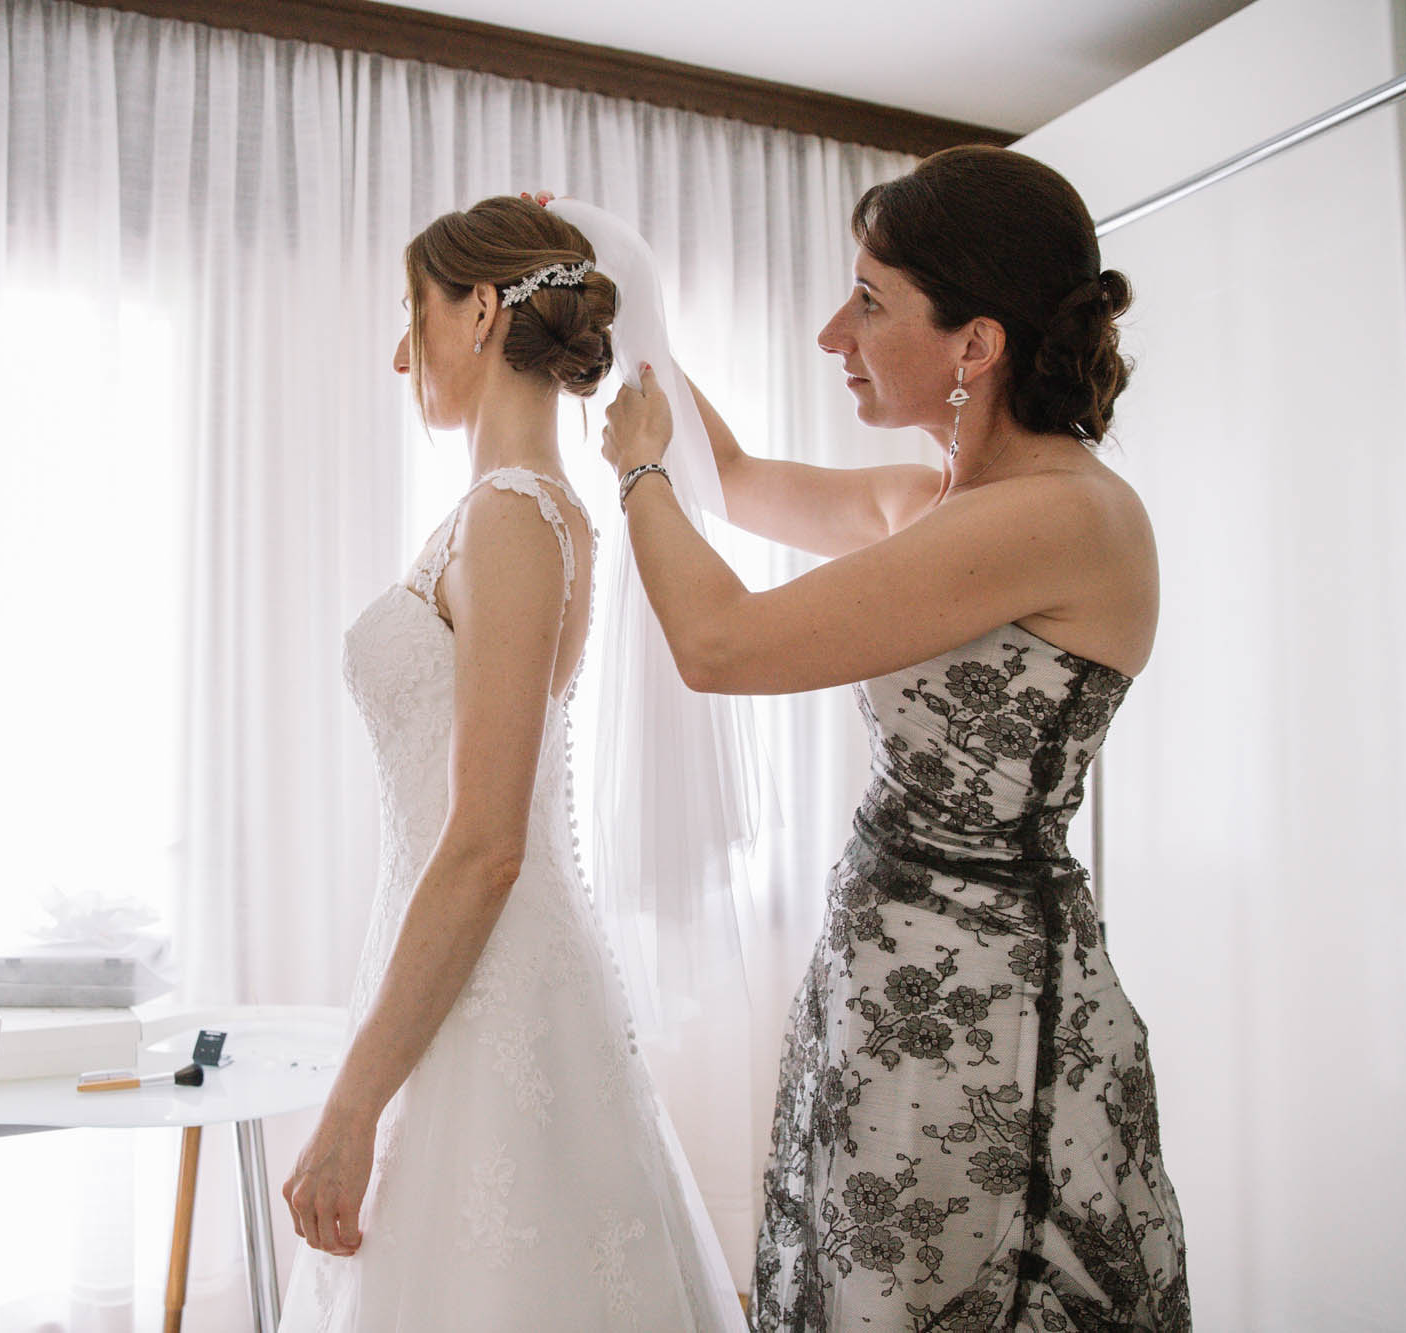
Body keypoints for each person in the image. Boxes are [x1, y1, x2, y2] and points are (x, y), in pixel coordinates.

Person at [597, 147, 1190, 1330]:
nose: (833, 333)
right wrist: (621, 293)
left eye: (868, 302)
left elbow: (721, 645)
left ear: (975, 345)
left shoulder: (1061, 517)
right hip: (880, 977)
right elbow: (735, 478)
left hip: (980, 1013)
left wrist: (637, 472)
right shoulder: (933, 506)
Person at [276, 195, 746, 1332]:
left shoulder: (511, 517)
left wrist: (352, 1107)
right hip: (459, 967)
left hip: (490, 979)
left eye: (415, 313)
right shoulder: (518, 513)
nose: (402, 355)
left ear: (482, 310)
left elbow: (488, 843)